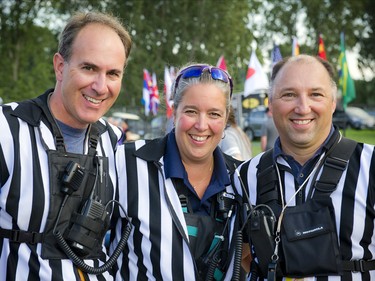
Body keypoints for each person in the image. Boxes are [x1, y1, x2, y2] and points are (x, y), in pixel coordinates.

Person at [0, 11, 132, 280]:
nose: (100, 86)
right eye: (89, 68)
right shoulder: (7, 130)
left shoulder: (114, 141)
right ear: (60, 66)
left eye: (113, 73)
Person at [236, 55, 375, 280]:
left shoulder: (370, 165)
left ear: (333, 103)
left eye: (315, 94)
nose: (302, 107)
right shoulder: (244, 176)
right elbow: (243, 256)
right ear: (270, 103)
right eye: (289, 94)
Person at [111, 64, 246, 280]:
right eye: (191, 111)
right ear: (175, 112)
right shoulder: (125, 163)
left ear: (226, 117)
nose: (202, 125)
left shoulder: (243, 179)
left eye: (214, 114)